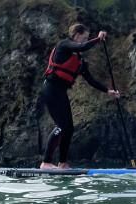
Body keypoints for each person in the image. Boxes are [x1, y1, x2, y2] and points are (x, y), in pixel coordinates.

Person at [39, 23, 120, 170]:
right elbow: (82, 47)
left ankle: (62, 163)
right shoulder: (64, 45)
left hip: (60, 92)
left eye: (87, 38)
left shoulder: (80, 61)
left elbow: (90, 80)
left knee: (69, 128)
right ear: (76, 35)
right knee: (62, 126)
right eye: (84, 38)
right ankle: (45, 163)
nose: (85, 41)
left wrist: (108, 91)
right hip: (50, 89)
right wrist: (97, 39)